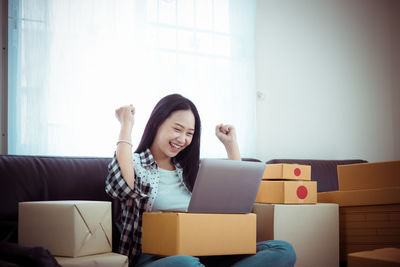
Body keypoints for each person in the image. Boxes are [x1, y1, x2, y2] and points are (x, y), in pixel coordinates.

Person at [105, 94, 296, 267]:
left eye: (189, 133)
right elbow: (123, 189)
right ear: (156, 123)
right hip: (158, 259)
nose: (182, 139)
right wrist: (126, 125)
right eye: (177, 129)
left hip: (206, 254)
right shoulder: (135, 163)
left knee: (283, 250)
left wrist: (231, 145)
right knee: (186, 264)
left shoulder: (192, 171)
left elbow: (235, 201)